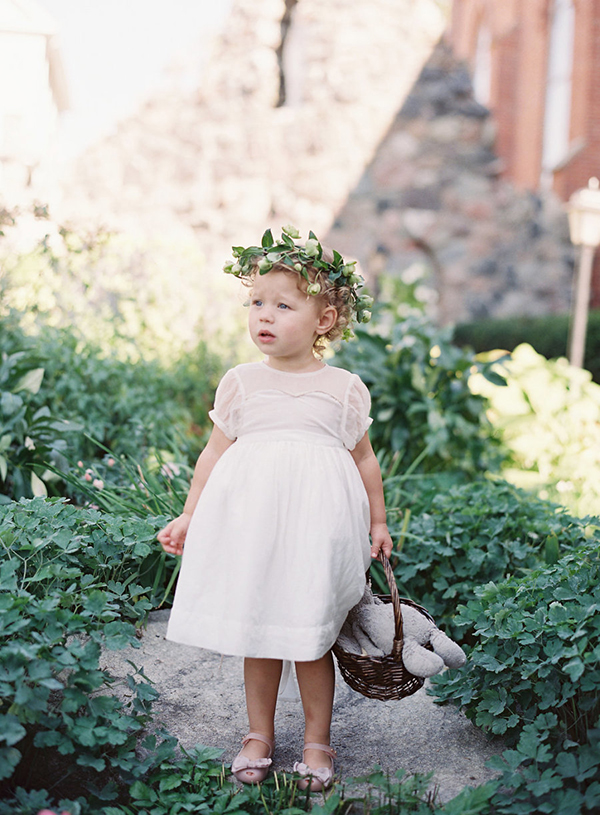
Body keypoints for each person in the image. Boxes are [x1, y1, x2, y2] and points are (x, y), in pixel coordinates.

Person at [157, 226, 393, 792]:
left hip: (317, 534)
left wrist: (378, 521)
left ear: (324, 320)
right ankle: (257, 734)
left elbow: (364, 462)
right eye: (256, 303)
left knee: (311, 637)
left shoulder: (342, 389)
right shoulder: (241, 383)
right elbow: (213, 455)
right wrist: (190, 515)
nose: (264, 315)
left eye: (283, 305)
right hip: (254, 532)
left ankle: (317, 740)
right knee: (259, 632)